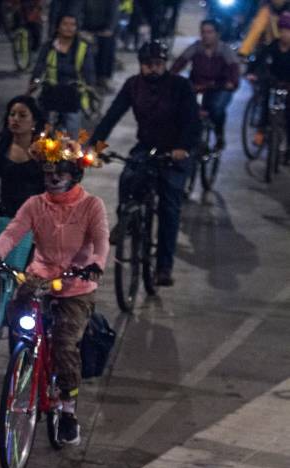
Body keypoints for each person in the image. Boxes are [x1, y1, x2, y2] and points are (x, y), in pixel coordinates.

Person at [0, 130, 109, 445]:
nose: (53, 178)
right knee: (16, 313)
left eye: (61, 173)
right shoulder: (35, 204)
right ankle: (24, 357)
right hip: (39, 277)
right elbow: (13, 232)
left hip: (75, 284)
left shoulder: (91, 205)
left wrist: (95, 265)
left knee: (65, 346)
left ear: (75, 174)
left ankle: (67, 410)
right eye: (49, 172)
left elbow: (100, 242)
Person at [90, 40, 201, 287]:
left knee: (169, 207)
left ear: (165, 65)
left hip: (175, 151)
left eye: (159, 64)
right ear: (141, 65)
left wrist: (182, 148)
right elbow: (112, 116)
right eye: (148, 64)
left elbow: (193, 123)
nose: (154, 69)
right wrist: (95, 146)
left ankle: (163, 266)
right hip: (147, 147)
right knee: (128, 176)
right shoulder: (133, 86)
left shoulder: (180, 86)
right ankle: (126, 219)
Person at [170, 19, 240, 149]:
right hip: (197, 86)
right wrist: (171, 77)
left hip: (218, 87)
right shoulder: (196, 47)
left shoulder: (225, 50)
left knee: (216, 109)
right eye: (203, 32)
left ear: (217, 34)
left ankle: (219, 136)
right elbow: (180, 62)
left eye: (210, 32)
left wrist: (232, 82)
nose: (206, 35)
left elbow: (234, 69)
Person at [30, 14, 96, 137]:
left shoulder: (83, 48)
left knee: (73, 131)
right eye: (65, 24)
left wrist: (90, 88)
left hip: (72, 95)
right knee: (39, 129)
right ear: (57, 27)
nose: (69, 28)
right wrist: (34, 82)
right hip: (51, 93)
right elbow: (39, 67)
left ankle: (72, 153)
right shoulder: (48, 47)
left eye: (73, 25)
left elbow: (89, 72)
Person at [247, 12, 290, 153]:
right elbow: (259, 61)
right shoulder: (271, 47)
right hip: (272, 81)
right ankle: (260, 131)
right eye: (283, 30)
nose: (286, 34)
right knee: (265, 102)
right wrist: (252, 73)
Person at [77, 0, 121, 92]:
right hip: (86, 28)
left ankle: (103, 77)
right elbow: (78, 10)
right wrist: (80, 29)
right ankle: (86, 78)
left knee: (107, 46)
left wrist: (109, 29)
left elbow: (114, 13)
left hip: (105, 29)